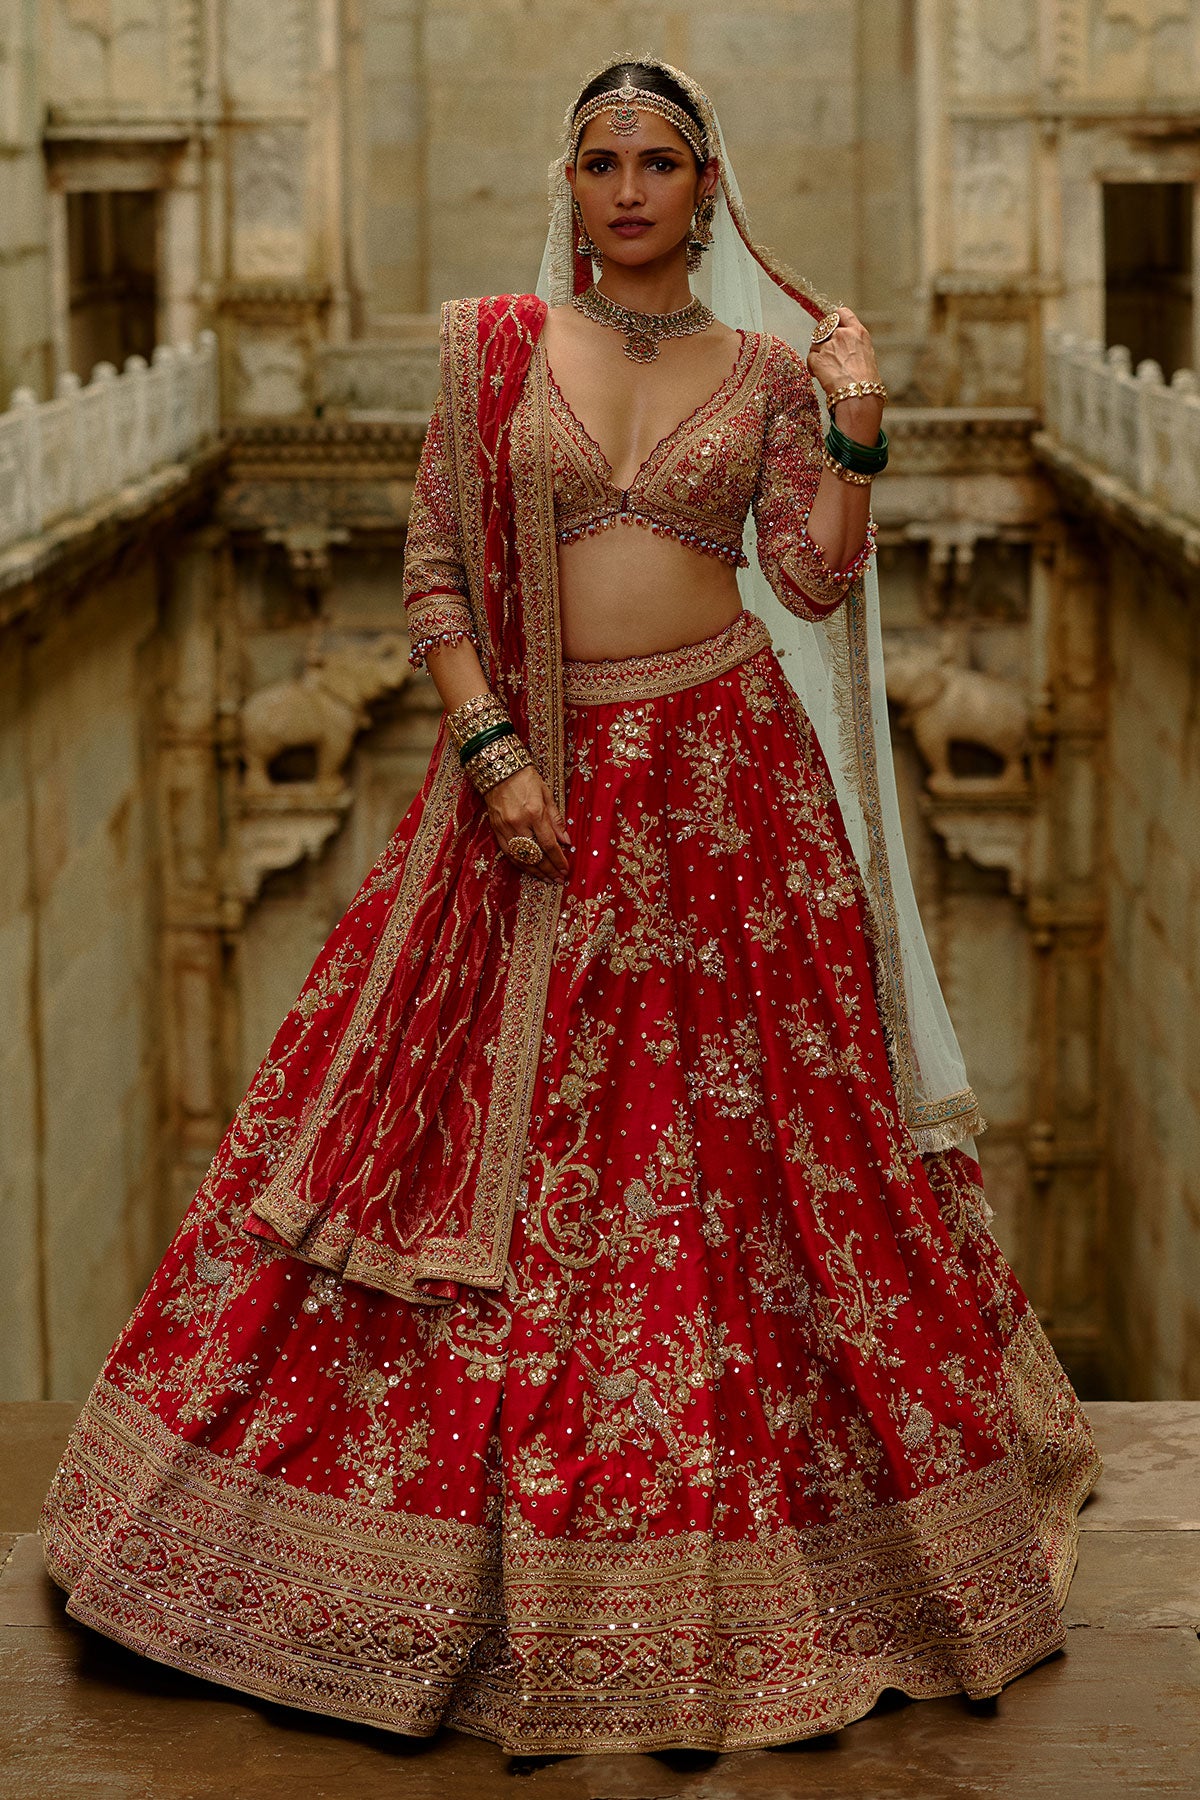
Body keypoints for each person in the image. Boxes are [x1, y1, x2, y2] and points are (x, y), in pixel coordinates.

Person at [40, 55, 1101, 1755]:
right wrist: (489, 749)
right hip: (528, 796)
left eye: (657, 163)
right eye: (601, 160)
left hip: (727, 787)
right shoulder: (492, 353)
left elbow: (816, 576)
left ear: (704, 188)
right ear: (572, 182)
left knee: (741, 1168)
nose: (627, 190)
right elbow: (439, 574)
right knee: (485, 1143)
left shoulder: (760, 369)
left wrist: (857, 433)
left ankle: (743, 1562)